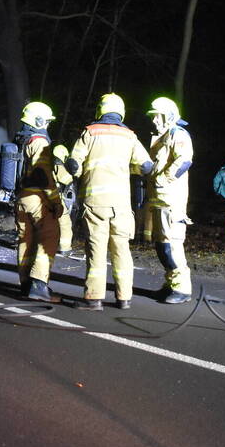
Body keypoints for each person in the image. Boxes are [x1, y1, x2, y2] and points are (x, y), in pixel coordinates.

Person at [65, 93, 154, 311]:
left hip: (96, 203)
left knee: (96, 250)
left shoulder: (90, 132)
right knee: (121, 250)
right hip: (122, 205)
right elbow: (146, 165)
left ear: (100, 110)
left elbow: (74, 164)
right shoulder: (129, 136)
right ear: (121, 112)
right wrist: (129, 168)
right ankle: (124, 298)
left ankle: (94, 299)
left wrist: (76, 169)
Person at [144, 97, 195, 304]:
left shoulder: (178, 134)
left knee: (171, 246)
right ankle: (171, 284)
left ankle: (182, 289)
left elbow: (184, 160)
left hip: (172, 202)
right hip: (160, 201)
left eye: (158, 116)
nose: (154, 120)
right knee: (162, 246)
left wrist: (163, 180)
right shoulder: (162, 137)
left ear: (169, 116)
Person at [14, 101, 63, 303]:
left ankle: (26, 284)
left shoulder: (22, 140)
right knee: (49, 237)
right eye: (47, 121)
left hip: (21, 198)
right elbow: (44, 176)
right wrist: (56, 201)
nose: (48, 125)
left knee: (25, 239)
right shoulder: (40, 142)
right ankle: (39, 285)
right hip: (37, 198)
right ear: (39, 121)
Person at [51, 144, 76, 257]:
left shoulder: (45, 163)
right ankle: (65, 248)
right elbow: (66, 180)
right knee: (65, 223)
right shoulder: (58, 165)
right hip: (55, 198)